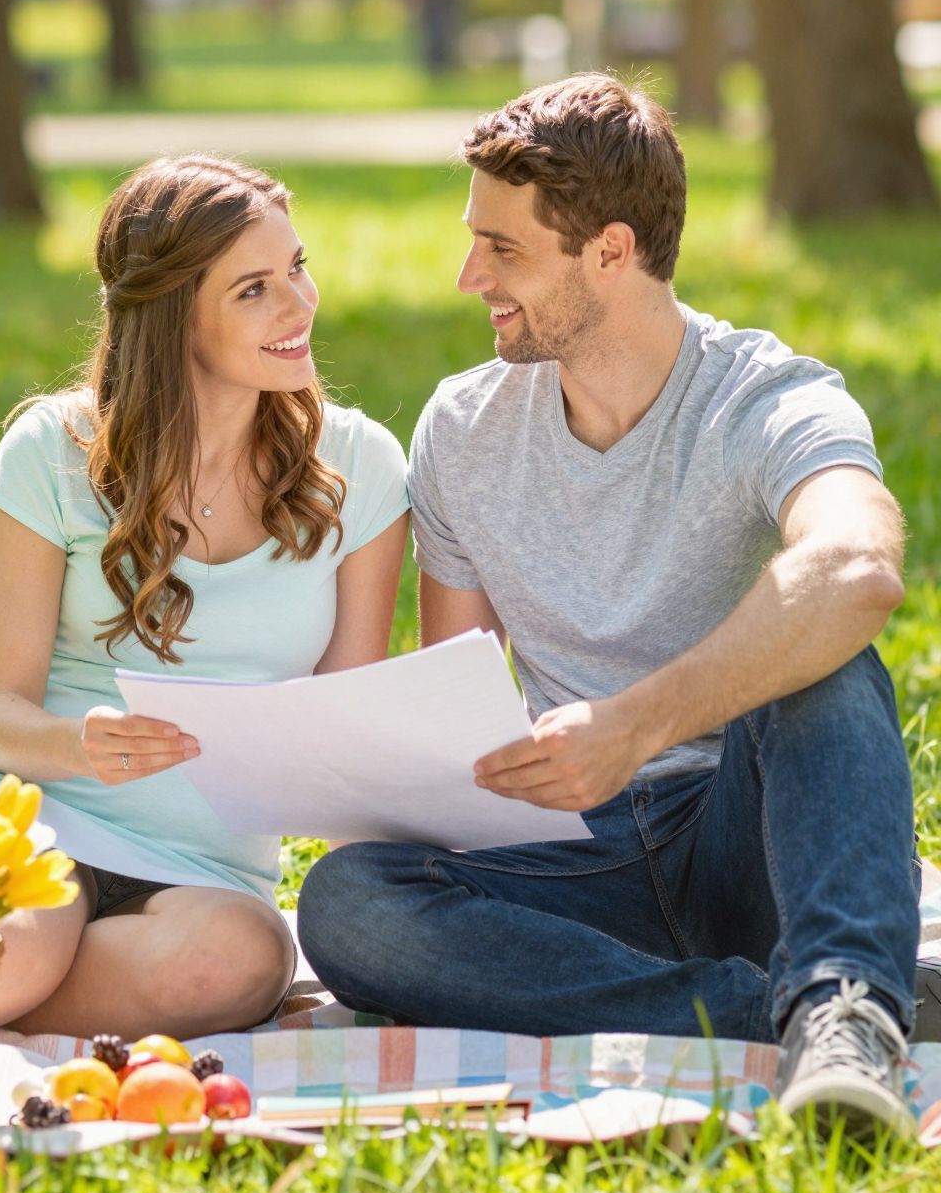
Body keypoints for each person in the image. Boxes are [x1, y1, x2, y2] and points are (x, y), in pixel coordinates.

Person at [298, 75, 930, 1137]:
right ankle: (792, 1013)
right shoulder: (464, 425)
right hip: (571, 857)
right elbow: (450, 701)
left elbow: (859, 566)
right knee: (348, 902)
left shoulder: (769, 397)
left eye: (503, 248)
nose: (468, 276)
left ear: (610, 250)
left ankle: (846, 1009)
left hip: (749, 839)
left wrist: (633, 725)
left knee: (819, 653)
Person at [0, 154, 408, 1040]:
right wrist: (79, 746)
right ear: (174, 320)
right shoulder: (51, 451)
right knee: (28, 940)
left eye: (298, 268)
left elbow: (345, 726)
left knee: (239, 965)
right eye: (254, 290)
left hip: (204, 869)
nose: (299, 305)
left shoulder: (360, 466)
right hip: (43, 809)